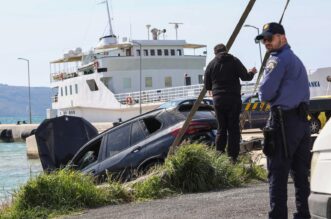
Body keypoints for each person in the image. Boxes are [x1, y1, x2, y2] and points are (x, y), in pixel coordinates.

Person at [256, 22, 311, 219]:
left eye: (270, 38)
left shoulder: (277, 60)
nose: (266, 43)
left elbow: (264, 92)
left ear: (283, 38)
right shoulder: (295, 59)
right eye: (264, 40)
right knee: (300, 174)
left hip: (283, 123)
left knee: (277, 174)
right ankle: (303, 214)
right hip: (301, 122)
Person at [204, 43, 257, 163]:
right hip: (233, 98)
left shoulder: (211, 64)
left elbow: (207, 85)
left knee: (221, 128)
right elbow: (245, 77)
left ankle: (219, 156)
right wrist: (252, 72)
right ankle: (232, 157)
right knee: (233, 128)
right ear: (226, 51)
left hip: (218, 99)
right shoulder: (234, 60)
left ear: (215, 53)